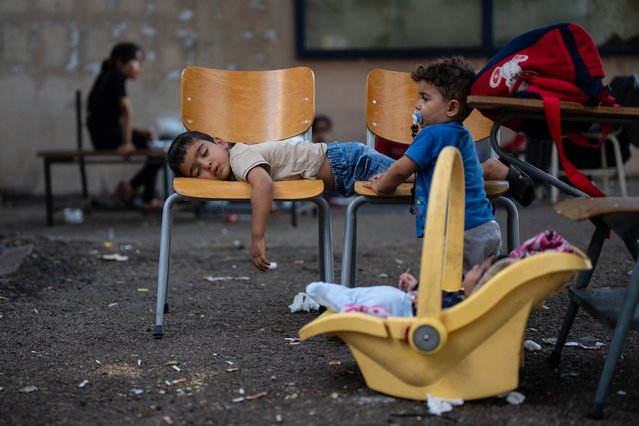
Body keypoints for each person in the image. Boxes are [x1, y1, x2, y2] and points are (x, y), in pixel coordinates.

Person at [167, 133, 397, 271]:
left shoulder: (239, 156)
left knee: (421, 177)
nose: (206, 165)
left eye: (205, 152)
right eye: (196, 171)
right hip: (344, 169)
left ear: (221, 142)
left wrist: (257, 236)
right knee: (417, 180)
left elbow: (263, 184)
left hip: (349, 161)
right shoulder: (234, 168)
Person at [364, 57, 502, 273]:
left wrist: (380, 186)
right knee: (480, 285)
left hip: (457, 230)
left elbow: (401, 169)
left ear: (452, 107)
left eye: (425, 99)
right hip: (486, 226)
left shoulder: (431, 134)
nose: (418, 105)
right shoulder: (463, 135)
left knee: (452, 290)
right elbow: (435, 174)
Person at [305, 229, 575, 318]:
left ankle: (341, 301)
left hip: (404, 313)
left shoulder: (468, 309)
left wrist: (421, 300)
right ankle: (343, 298)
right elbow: (443, 297)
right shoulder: (467, 300)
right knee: (379, 293)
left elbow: (443, 313)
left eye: (478, 269)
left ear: (483, 285)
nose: (473, 268)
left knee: (382, 296)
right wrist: (419, 287)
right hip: (410, 306)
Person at [87, 42, 163, 213]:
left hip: (101, 135)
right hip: (106, 136)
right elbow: (127, 110)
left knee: (149, 142)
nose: (140, 66)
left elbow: (109, 120)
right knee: (157, 153)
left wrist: (140, 133)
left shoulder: (106, 75)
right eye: (137, 61)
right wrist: (127, 143)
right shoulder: (116, 76)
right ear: (121, 62)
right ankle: (144, 196)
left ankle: (132, 189)